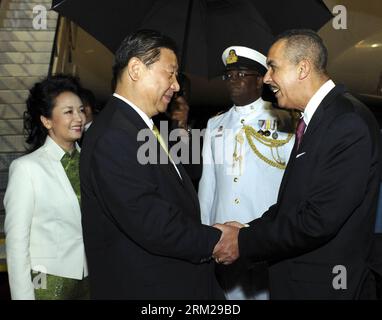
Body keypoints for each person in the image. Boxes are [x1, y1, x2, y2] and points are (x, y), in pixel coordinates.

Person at [213, 29, 382, 299]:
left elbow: (318, 221)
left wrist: (243, 242)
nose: (267, 78)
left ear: (302, 69)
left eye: (273, 67)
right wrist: (246, 229)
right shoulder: (318, 120)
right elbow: (292, 204)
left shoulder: (347, 123)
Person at [79, 29, 224, 299]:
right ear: (136, 69)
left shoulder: (142, 128)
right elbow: (151, 221)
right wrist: (218, 241)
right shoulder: (113, 136)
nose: (177, 86)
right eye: (170, 73)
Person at [198, 46, 295, 300]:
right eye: (229, 75)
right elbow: (208, 183)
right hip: (222, 238)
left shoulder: (284, 121)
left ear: (260, 79)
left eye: (242, 74)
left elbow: (292, 183)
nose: (234, 81)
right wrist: (204, 232)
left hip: (264, 235)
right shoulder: (214, 124)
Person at [3, 74, 89, 300]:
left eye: (81, 110)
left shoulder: (91, 162)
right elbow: (17, 243)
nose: (79, 117)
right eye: (69, 111)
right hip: (48, 286)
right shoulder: (26, 169)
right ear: (47, 120)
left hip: (90, 282)